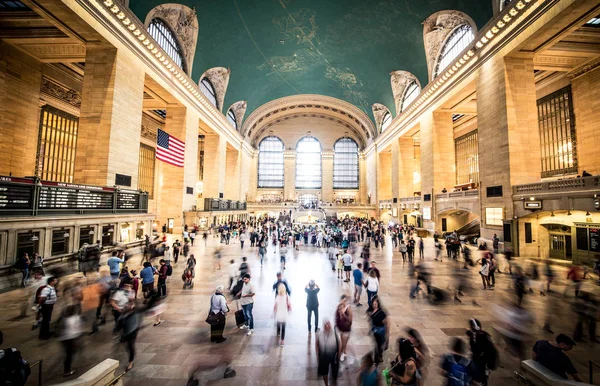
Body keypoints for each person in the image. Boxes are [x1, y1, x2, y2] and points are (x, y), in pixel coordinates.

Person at [467, 319, 497, 386]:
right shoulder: (481, 335)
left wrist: (489, 366)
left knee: (479, 379)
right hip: (479, 362)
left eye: (471, 327)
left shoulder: (482, 338)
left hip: (481, 363)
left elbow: (476, 350)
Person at [56, 304, 84, 377]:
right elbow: (77, 330)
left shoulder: (63, 318)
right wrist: (78, 341)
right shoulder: (76, 318)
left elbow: (58, 329)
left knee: (68, 353)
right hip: (71, 338)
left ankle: (66, 367)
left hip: (63, 339)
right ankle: (67, 371)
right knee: (70, 354)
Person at [316, 319, 340, 386]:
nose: (327, 325)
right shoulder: (319, 333)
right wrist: (317, 354)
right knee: (324, 372)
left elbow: (339, 343)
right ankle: (326, 384)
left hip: (333, 355)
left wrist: (339, 355)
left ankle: (334, 382)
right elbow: (317, 343)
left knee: (334, 371)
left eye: (329, 324)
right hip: (323, 356)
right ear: (323, 326)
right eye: (326, 324)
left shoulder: (335, 332)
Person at [369, 296, 388, 364]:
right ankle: (378, 357)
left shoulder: (381, 313)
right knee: (377, 344)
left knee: (379, 345)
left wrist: (386, 333)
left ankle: (378, 357)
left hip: (380, 331)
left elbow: (385, 323)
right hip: (375, 331)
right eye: (373, 304)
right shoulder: (371, 310)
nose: (374, 305)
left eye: (375, 304)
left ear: (378, 304)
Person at [335, 294, 353, 362]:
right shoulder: (339, 307)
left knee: (343, 343)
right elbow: (337, 317)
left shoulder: (348, 308)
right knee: (342, 343)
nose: (344, 302)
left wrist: (344, 315)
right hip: (340, 328)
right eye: (343, 301)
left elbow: (350, 320)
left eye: (345, 301)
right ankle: (343, 353)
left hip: (346, 329)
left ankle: (340, 355)